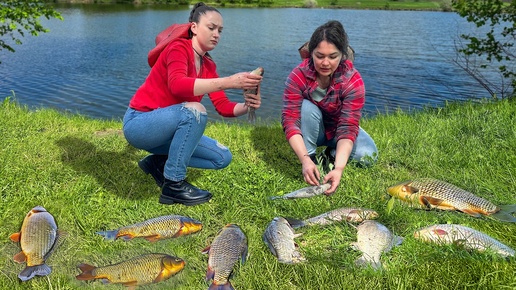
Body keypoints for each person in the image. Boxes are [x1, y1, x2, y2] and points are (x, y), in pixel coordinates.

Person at [123, 2, 263, 206]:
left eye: (220, 30)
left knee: (221, 157)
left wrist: (247, 105)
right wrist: (230, 81)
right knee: (195, 111)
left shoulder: (208, 64)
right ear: (194, 27)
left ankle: (158, 163)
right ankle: (173, 184)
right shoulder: (178, 48)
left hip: (167, 130)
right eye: (211, 27)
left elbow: (223, 106)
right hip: (140, 124)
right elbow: (178, 86)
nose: (216, 34)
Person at [281, 20, 377, 195]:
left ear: (342, 55)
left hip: (338, 129)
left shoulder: (353, 80)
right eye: (320, 56)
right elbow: (290, 121)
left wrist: (339, 168)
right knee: (306, 107)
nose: (325, 62)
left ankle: (331, 156)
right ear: (311, 54)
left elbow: (348, 127)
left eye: (332, 56)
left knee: (368, 156)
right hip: (312, 128)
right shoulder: (297, 76)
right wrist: (304, 160)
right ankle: (310, 160)